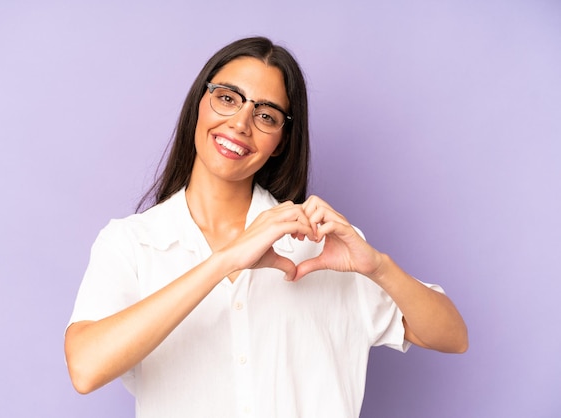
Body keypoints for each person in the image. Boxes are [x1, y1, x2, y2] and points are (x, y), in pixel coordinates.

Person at [65, 36, 468, 418]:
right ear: (199, 105)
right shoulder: (132, 243)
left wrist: (378, 266)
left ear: (281, 139)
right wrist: (224, 262)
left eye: (265, 115)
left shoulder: (321, 246)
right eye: (227, 98)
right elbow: (85, 367)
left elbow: (452, 336)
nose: (241, 123)